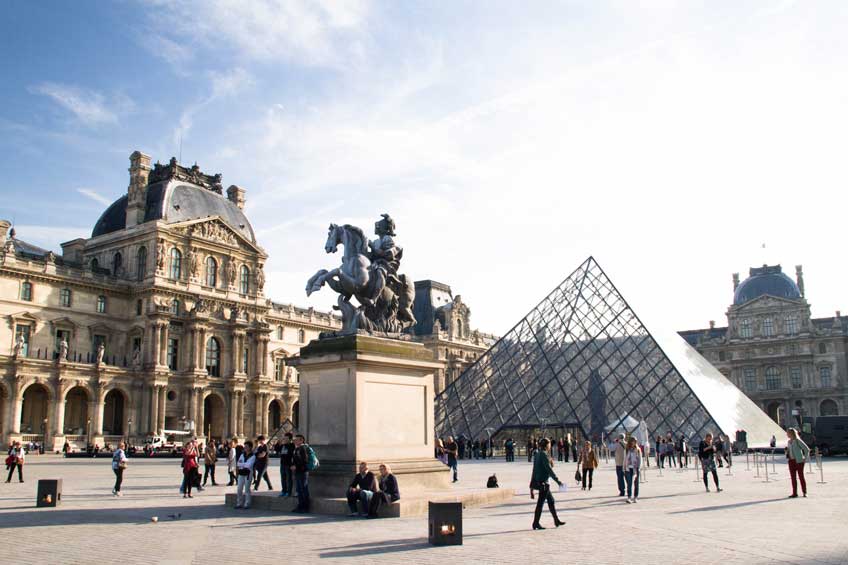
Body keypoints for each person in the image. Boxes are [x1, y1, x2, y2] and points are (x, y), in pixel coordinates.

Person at [530, 438, 564, 530]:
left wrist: (531, 487)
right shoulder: (544, 455)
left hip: (540, 482)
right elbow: (549, 470)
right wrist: (558, 481)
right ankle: (535, 523)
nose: (550, 446)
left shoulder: (537, 454)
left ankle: (556, 520)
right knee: (540, 504)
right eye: (549, 444)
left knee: (551, 501)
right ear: (546, 445)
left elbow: (534, 470)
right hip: (543, 483)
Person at [786, 428, 810, 498]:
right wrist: (787, 452)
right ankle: (794, 493)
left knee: (801, 477)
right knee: (793, 478)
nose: (787, 434)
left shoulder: (797, 441)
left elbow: (806, 449)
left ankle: (805, 492)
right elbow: (790, 451)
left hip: (799, 461)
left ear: (792, 433)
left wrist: (804, 459)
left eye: (788, 433)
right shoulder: (788, 442)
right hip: (791, 461)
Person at [291, 434, 310, 513]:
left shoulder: (303, 448)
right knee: (299, 489)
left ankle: (305, 507)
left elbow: (305, 461)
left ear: (301, 440)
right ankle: (300, 505)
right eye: (295, 439)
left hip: (303, 471)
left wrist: (296, 466)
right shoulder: (297, 448)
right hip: (298, 471)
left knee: (303, 489)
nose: (295, 440)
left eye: (297, 439)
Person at [235, 441, 255, 509]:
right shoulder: (242, 455)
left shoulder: (253, 456)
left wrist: (242, 464)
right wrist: (244, 464)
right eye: (244, 447)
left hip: (248, 474)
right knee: (239, 488)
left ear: (250, 447)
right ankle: (239, 503)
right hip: (241, 473)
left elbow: (249, 465)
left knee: (247, 489)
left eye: (246, 447)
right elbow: (238, 464)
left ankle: (247, 503)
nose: (245, 448)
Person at [624, 437, 642, 503]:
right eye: (632, 441)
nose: (633, 443)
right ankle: (629, 497)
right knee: (629, 483)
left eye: (635, 441)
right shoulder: (627, 449)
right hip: (629, 468)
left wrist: (639, 468)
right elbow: (625, 459)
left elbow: (640, 459)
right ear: (630, 442)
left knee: (636, 483)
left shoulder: (638, 449)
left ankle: (635, 497)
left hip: (636, 468)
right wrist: (625, 467)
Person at [279, 433, 294, 497]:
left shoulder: (292, 445)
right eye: (284, 438)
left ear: (290, 439)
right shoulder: (283, 445)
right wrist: (279, 442)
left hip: (288, 464)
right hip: (282, 464)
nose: (285, 439)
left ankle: (289, 491)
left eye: (286, 438)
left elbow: (291, 454)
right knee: (283, 478)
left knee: (289, 479)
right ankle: (283, 491)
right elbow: (277, 449)